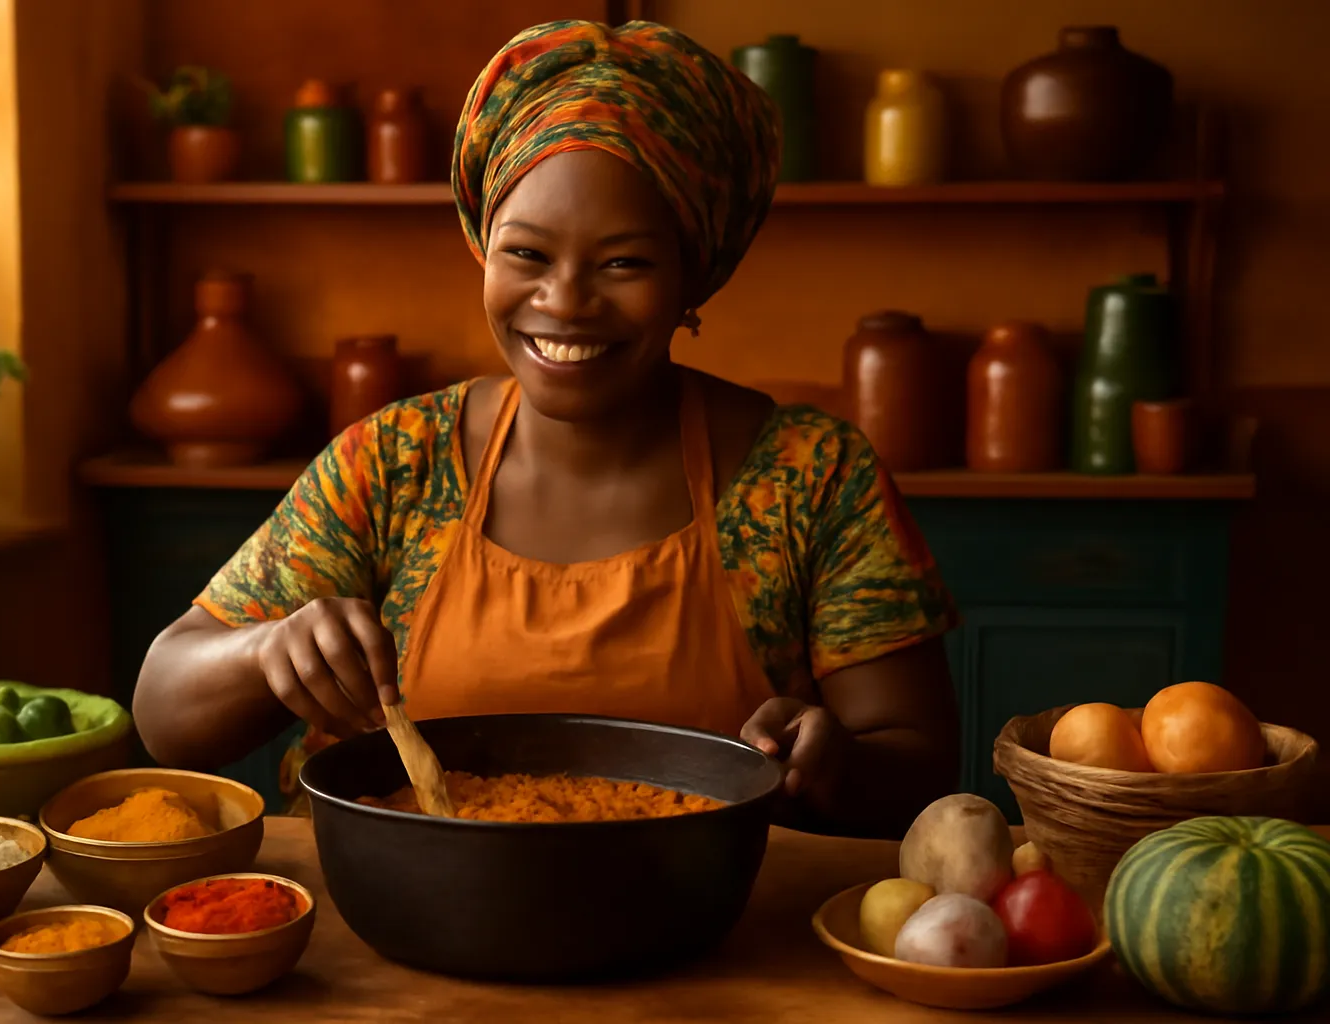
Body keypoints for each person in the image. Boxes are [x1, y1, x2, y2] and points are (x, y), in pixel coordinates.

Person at [133, 19, 960, 837]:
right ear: (481, 246)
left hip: (702, 934)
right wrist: (266, 651)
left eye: (623, 263)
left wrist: (833, 762)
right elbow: (166, 713)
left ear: (693, 272)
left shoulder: (809, 478)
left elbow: (920, 767)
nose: (563, 300)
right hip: (397, 923)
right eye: (526, 254)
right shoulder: (391, 464)